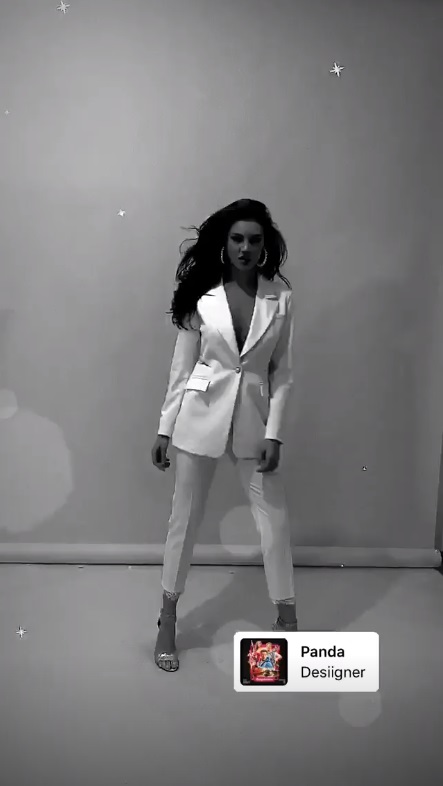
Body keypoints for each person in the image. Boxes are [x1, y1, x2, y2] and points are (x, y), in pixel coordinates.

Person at [151, 198, 298, 673]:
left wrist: (275, 433)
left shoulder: (280, 298)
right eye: (237, 239)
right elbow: (181, 368)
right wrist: (165, 427)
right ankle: (168, 618)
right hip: (199, 416)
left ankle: (287, 621)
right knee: (185, 520)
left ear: (265, 245)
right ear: (225, 242)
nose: (245, 248)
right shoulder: (203, 295)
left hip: (254, 422)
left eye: (254, 240)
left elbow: (283, 373)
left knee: (274, 522)